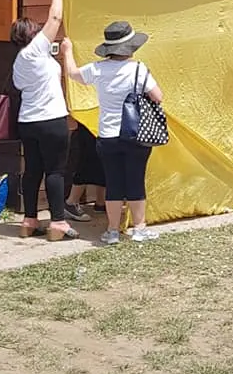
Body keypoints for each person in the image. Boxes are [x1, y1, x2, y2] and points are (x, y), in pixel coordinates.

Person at [62, 21, 164, 245]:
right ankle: (139, 229)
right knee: (136, 181)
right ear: (130, 47)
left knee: (114, 183)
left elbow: (72, 74)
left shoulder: (97, 69)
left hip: (107, 136)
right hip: (136, 135)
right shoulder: (138, 69)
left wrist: (67, 50)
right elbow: (158, 96)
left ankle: (112, 231)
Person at [11, 0, 76, 241]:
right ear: (32, 36)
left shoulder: (18, 61)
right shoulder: (36, 50)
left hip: (28, 122)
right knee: (55, 171)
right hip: (51, 121)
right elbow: (55, 18)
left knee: (33, 170)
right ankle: (58, 223)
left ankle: (29, 221)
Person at [65, 122, 106, 222]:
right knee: (88, 161)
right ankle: (71, 203)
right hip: (89, 121)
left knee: (102, 160)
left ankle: (101, 203)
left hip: (98, 121)